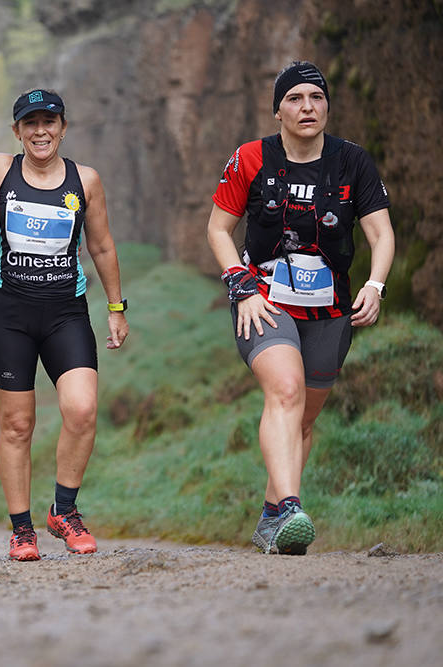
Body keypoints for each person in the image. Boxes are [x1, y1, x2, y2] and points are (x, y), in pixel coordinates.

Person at [206, 61, 394, 555]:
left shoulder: (353, 162)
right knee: (285, 390)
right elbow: (218, 229)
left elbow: (380, 232)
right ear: (277, 111)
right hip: (263, 300)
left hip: (330, 308)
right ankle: (290, 506)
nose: (307, 106)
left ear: (328, 106)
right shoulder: (251, 158)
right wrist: (240, 286)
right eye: (295, 98)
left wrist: (375, 285)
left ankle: (272, 516)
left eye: (316, 97)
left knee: (304, 419)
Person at [0, 89, 129, 561]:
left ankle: (64, 510)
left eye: (49, 121)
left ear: (63, 126)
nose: (40, 131)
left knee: (81, 410)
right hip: (8, 315)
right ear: (17, 131)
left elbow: (100, 246)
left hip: (65, 312)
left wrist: (116, 307)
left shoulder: (86, 180)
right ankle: (21, 530)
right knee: (18, 424)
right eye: (30, 123)